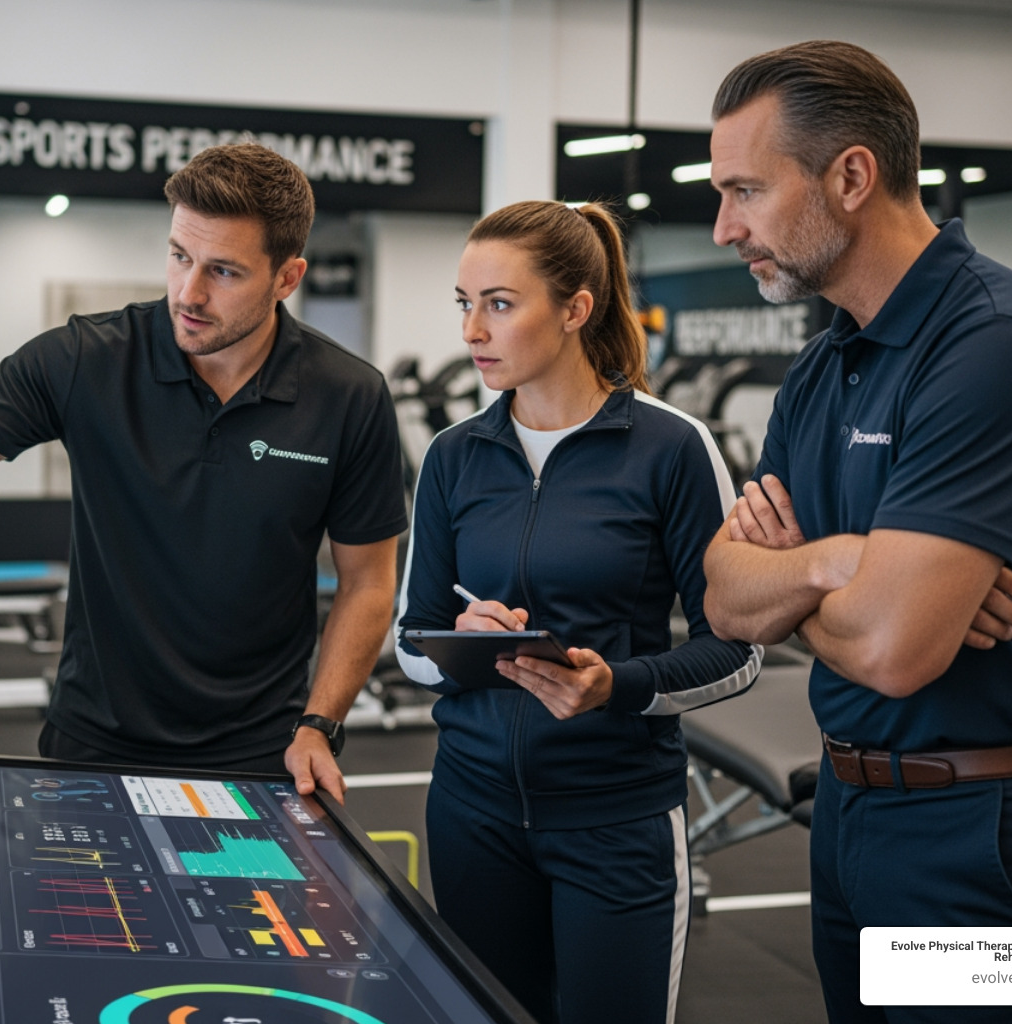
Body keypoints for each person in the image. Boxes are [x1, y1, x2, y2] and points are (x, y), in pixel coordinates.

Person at [0, 143, 407, 801]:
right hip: (95, 739)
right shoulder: (85, 359)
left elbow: (367, 582)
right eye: (179, 256)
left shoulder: (348, 396)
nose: (189, 292)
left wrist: (320, 724)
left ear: (287, 278)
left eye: (224, 271)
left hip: (262, 749)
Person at [699, 41, 1012, 1023]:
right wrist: (847, 564)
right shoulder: (822, 369)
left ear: (851, 177)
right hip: (850, 809)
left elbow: (893, 649)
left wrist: (798, 580)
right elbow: (722, 595)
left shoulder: (1001, 345)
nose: (725, 227)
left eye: (745, 191)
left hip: (995, 832)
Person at [395, 200, 761, 1024]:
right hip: (472, 815)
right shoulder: (454, 457)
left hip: (616, 821)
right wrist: (458, 643)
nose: (473, 330)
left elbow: (737, 650)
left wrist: (615, 685)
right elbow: (411, 639)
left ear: (575, 309)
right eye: (465, 303)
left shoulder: (671, 449)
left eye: (499, 303)